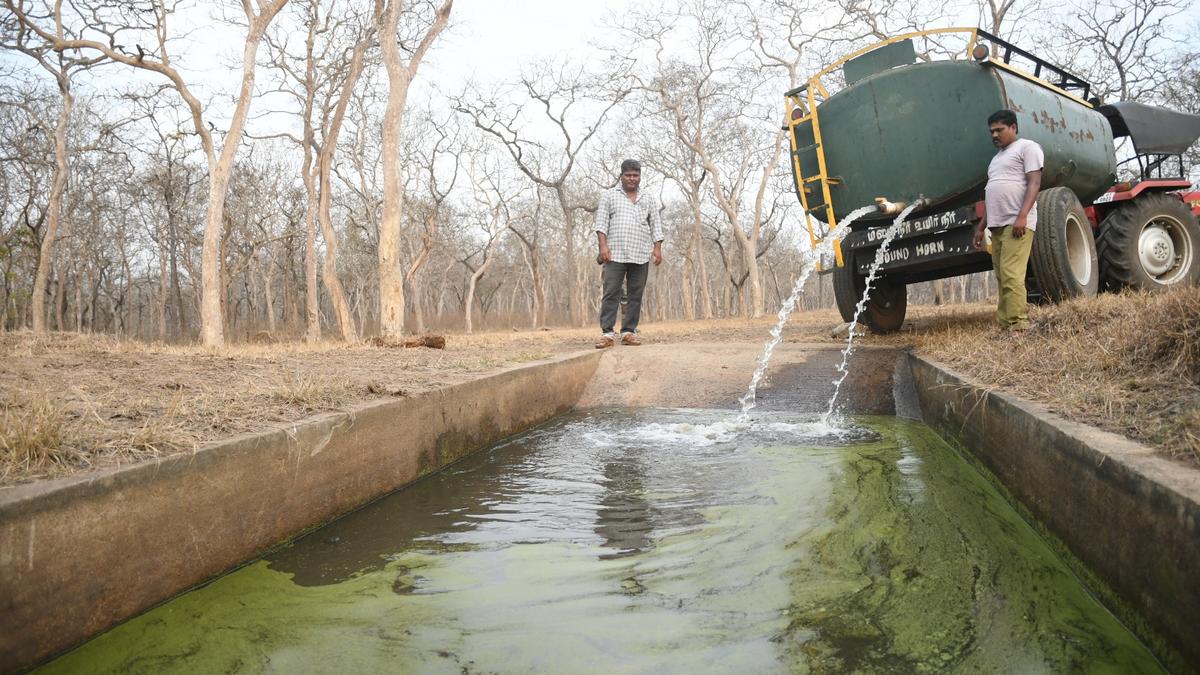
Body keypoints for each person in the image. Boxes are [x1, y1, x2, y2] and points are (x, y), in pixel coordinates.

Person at [972, 109, 1043, 333]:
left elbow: (1034, 183)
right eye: (991, 131)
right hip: (997, 225)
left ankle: (1019, 324)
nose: (994, 135)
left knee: (1012, 273)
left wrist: (1022, 216)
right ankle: (1005, 325)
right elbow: (992, 195)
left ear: (1014, 127)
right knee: (1002, 276)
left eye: (999, 130)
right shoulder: (995, 160)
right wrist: (981, 227)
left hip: (1017, 222)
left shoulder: (1028, 148)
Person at [594, 159, 664, 348]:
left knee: (635, 294)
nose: (632, 178)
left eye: (635, 175)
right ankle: (607, 333)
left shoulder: (648, 197)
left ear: (640, 176)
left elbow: (655, 224)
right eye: (628, 175)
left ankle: (628, 332)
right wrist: (603, 247)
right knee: (611, 292)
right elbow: (601, 224)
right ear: (621, 176)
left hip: (640, 252)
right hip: (615, 253)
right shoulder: (610, 195)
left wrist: (657, 248)